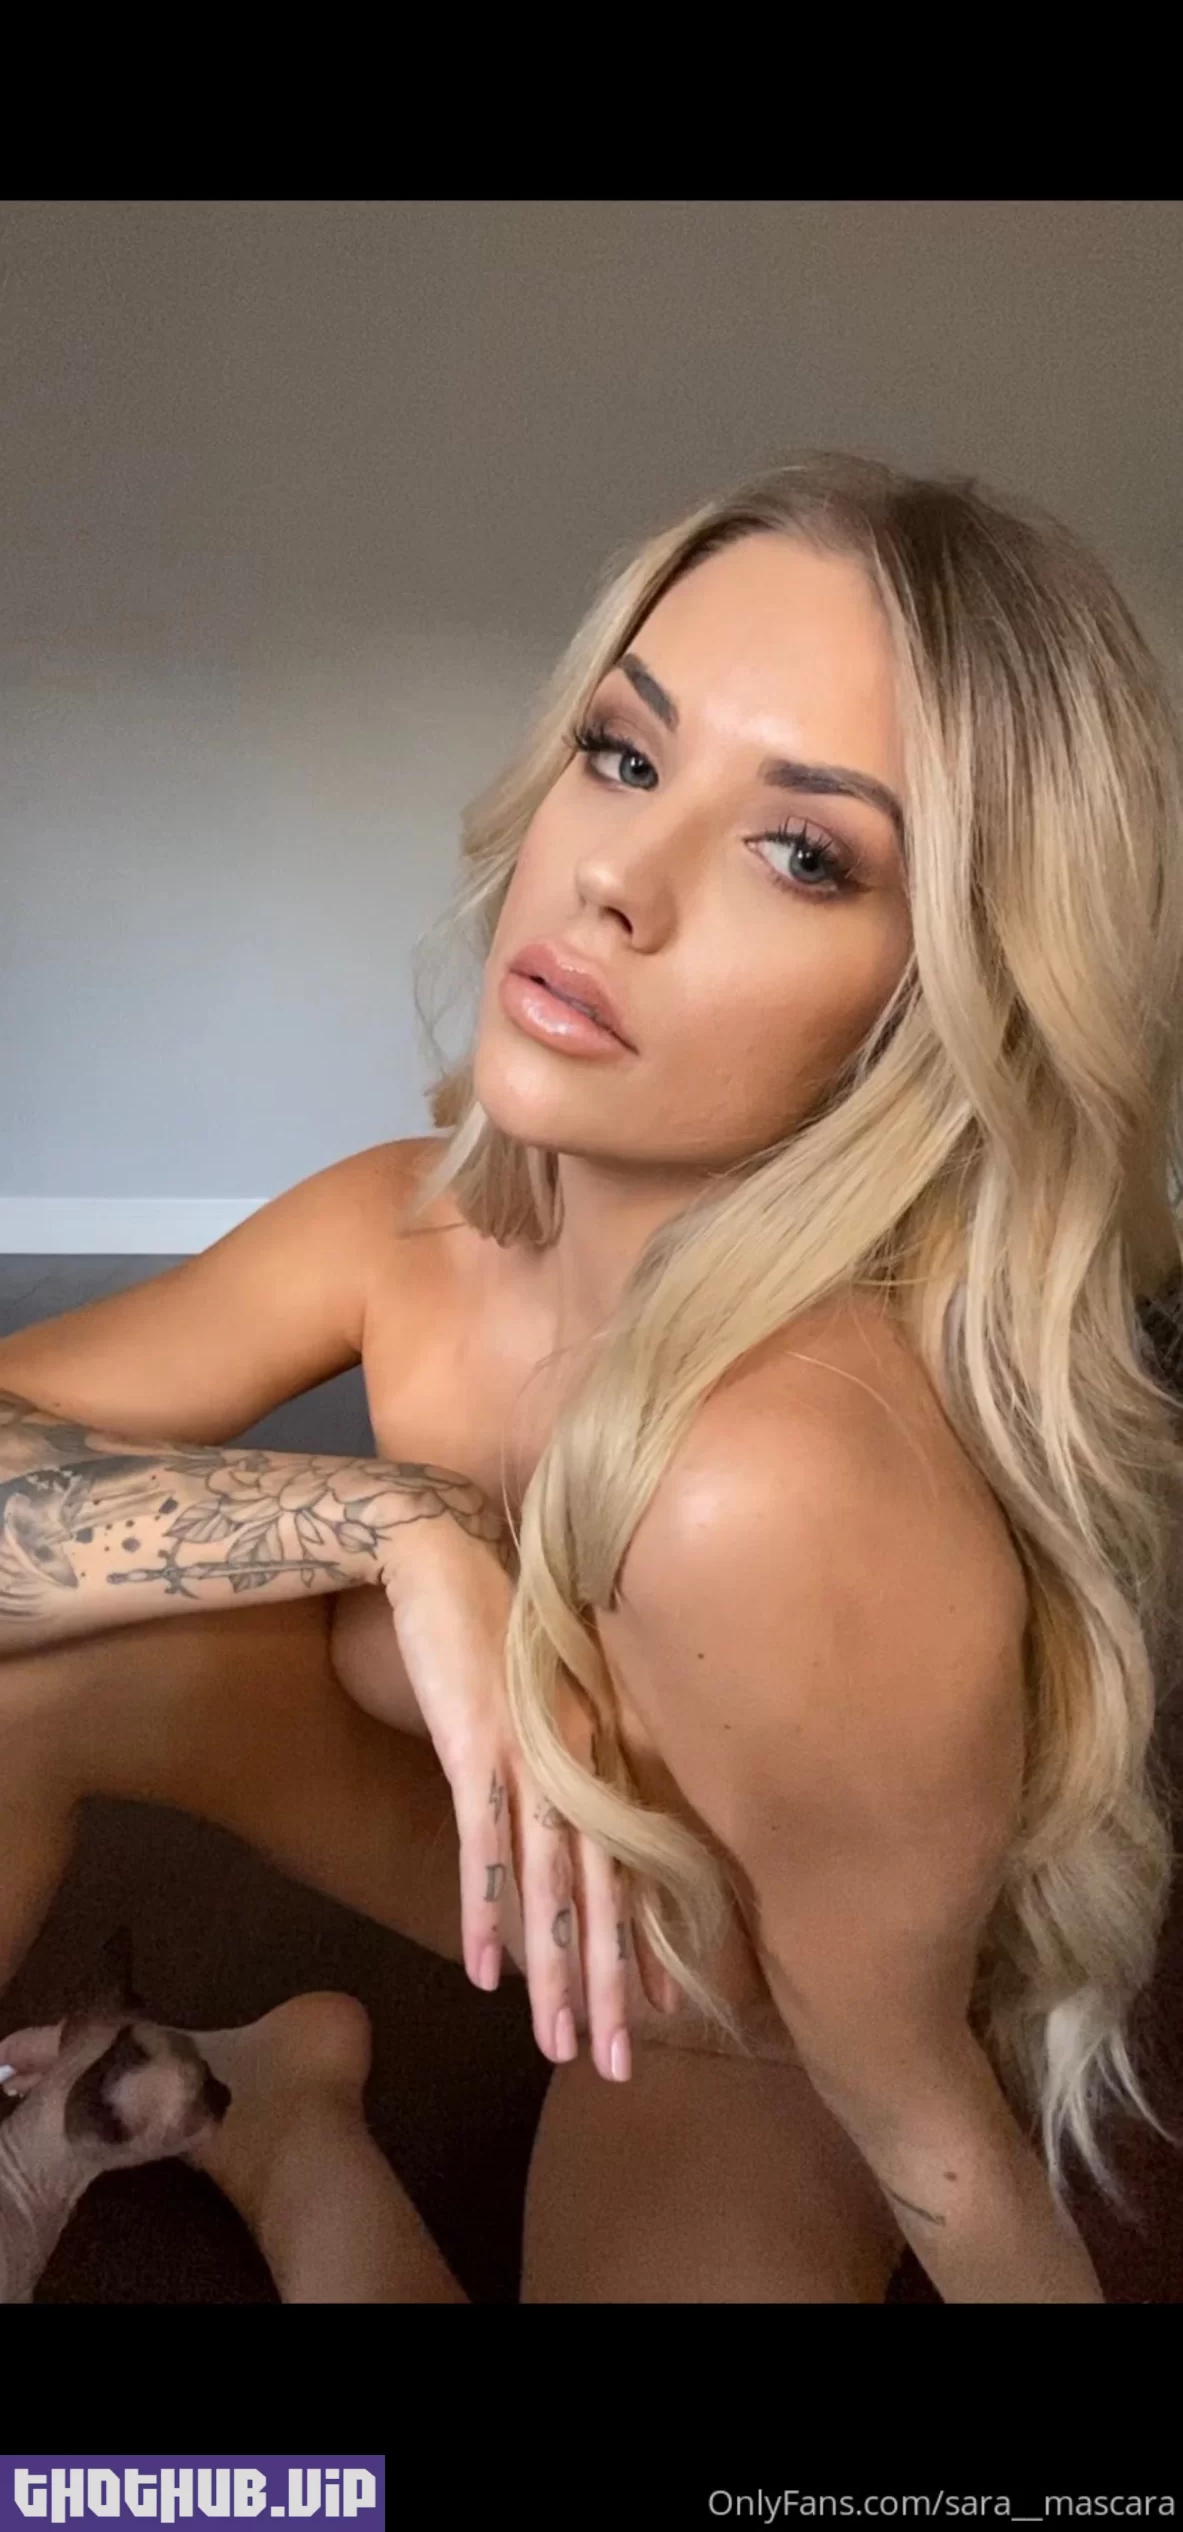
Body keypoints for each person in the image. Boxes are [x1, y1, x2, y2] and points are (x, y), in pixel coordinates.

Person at [1, 452, 1181, 2303]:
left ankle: (292, 2131)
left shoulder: (771, 1481)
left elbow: (922, 2121)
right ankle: (258, 2114)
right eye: (625, 755)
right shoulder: (403, 1233)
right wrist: (393, 1522)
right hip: (513, 1873)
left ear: (935, 996)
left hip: (740, 2020)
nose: (614, 878)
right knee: (34, 1663)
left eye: (803, 853)